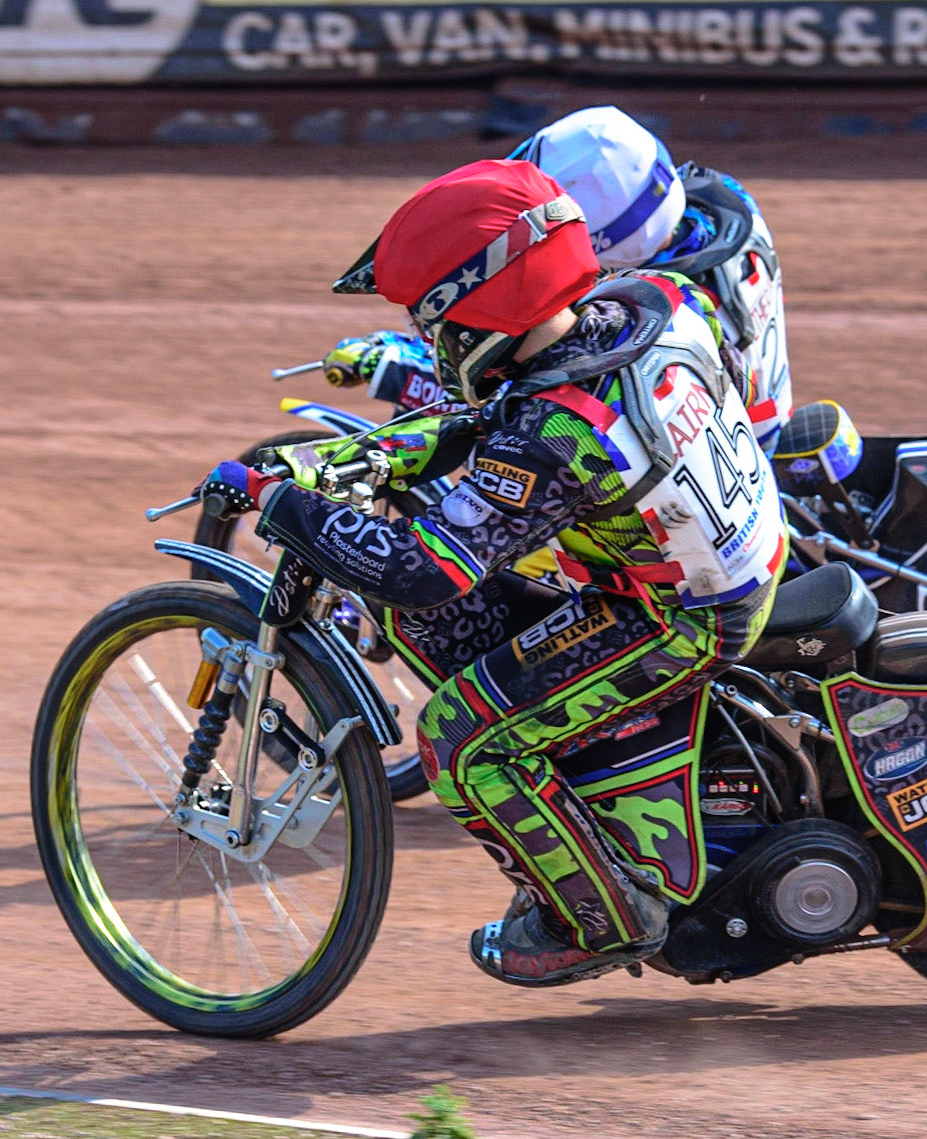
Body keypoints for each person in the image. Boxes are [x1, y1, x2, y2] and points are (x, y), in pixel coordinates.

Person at [197, 159, 787, 986]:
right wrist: (364, 455)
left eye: (430, 319)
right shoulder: (643, 302)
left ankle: (605, 920)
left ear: (477, 309)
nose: (427, 339)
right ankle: (592, 787)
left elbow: (424, 568)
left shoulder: (557, 431)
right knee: (434, 634)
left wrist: (280, 501)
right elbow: (490, 419)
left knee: (458, 740)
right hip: (736, 547)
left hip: (679, 617)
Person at [323, 105, 794, 455]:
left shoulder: (646, 302)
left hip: (695, 454)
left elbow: (537, 375)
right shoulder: (725, 203)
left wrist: (402, 359)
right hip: (747, 421)